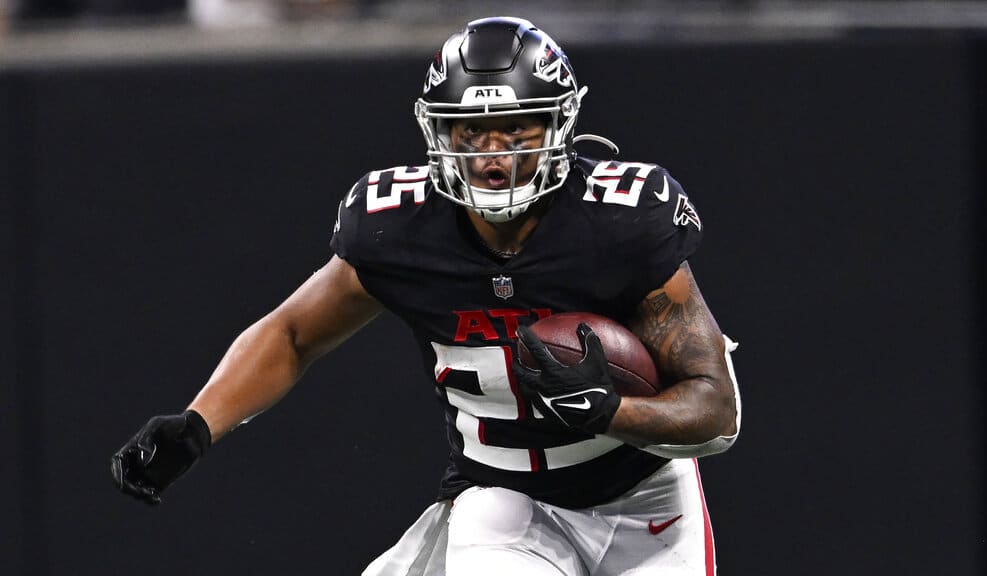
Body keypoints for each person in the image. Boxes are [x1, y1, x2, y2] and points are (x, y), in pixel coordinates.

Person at [111, 16, 742, 576]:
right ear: (439, 134)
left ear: (559, 124)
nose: (494, 158)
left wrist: (611, 413)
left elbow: (716, 411)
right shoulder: (399, 228)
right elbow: (292, 334)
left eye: (517, 130)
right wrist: (198, 424)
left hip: (646, 504)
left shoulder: (621, 222)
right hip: (507, 503)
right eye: (472, 131)